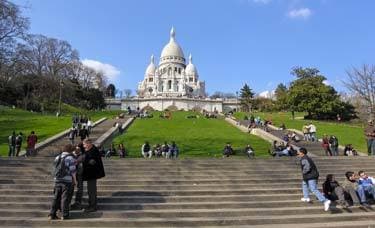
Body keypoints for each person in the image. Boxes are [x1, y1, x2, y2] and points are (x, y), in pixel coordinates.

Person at [48, 144, 77, 220]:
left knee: (56, 198)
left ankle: (52, 214)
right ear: (70, 150)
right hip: (67, 181)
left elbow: (54, 168)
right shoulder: (70, 158)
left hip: (57, 180)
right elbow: (73, 171)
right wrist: (75, 180)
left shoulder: (58, 157)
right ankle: (64, 215)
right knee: (65, 198)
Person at [82, 139, 105, 212]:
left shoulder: (93, 151)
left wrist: (82, 163)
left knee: (91, 191)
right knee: (90, 190)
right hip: (91, 174)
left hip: (92, 174)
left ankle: (93, 206)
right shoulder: (91, 150)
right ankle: (91, 205)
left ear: (89, 144)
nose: (83, 146)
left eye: (84, 144)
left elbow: (91, 162)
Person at [70, 143, 84, 211]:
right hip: (71, 175)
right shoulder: (70, 155)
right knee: (70, 189)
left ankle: (78, 202)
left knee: (80, 189)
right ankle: (68, 203)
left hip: (79, 174)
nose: (78, 150)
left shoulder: (82, 155)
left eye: (79, 149)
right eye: (77, 148)